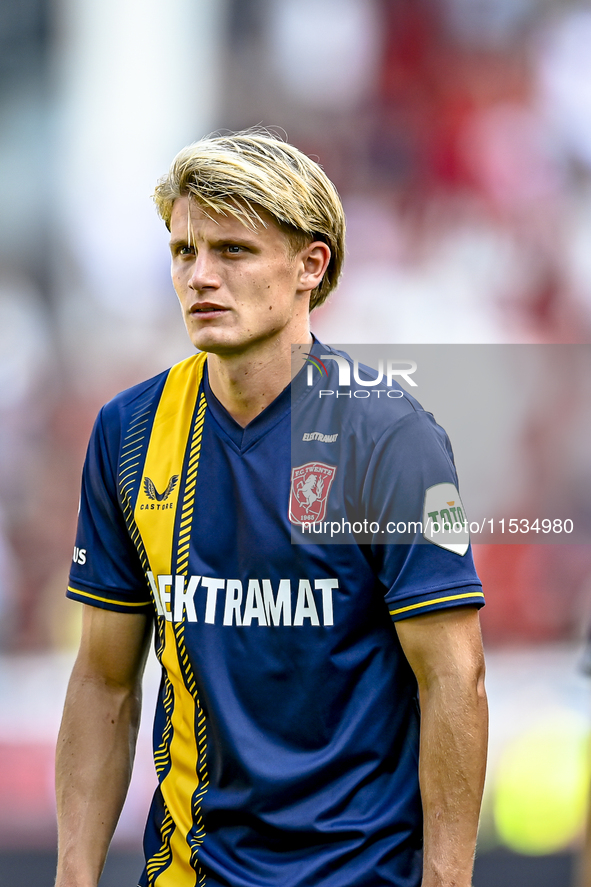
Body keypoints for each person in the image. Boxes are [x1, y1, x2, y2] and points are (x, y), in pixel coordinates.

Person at [55, 131, 488, 887]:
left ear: (309, 266)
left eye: (232, 251)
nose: (200, 276)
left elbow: (454, 677)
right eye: (184, 251)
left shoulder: (393, 437)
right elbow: (102, 680)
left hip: (357, 875)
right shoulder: (128, 432)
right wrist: (73, 875)